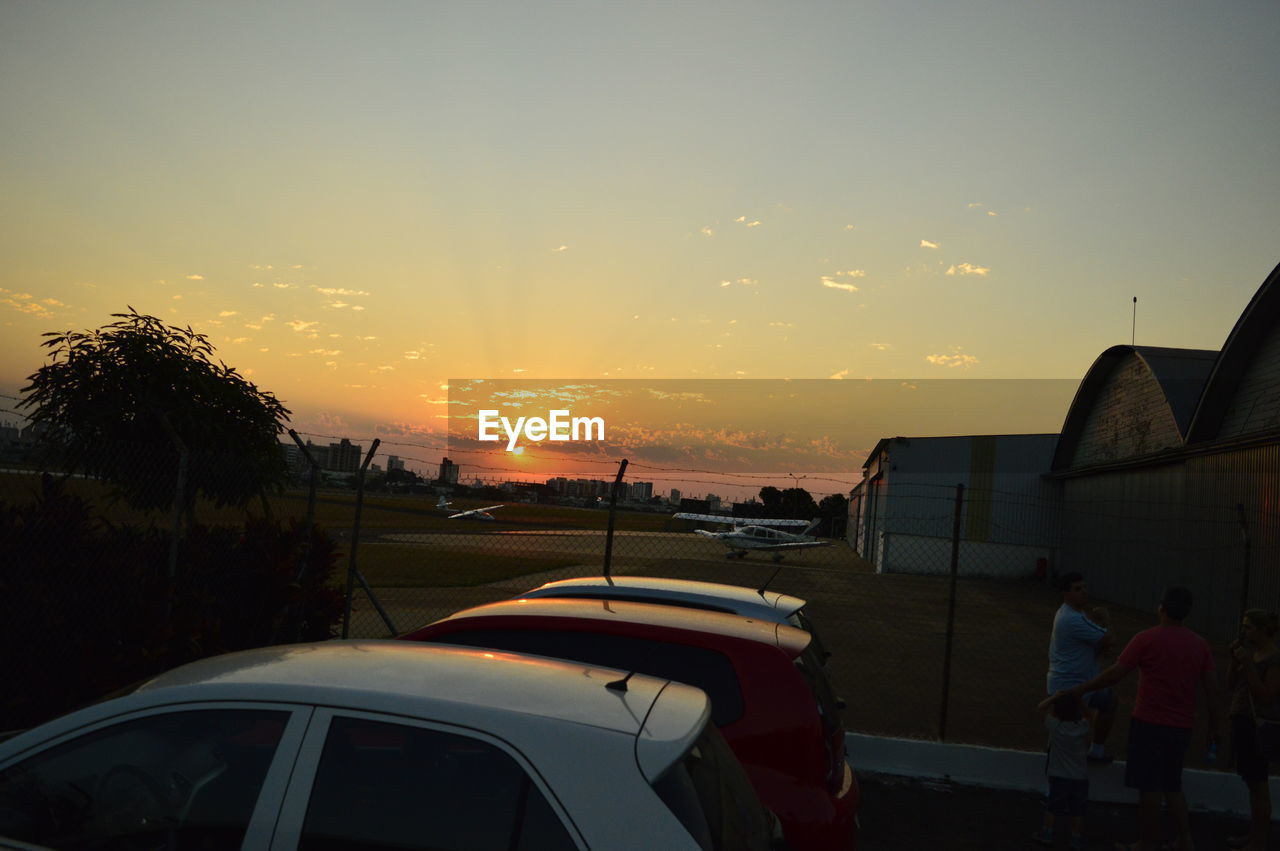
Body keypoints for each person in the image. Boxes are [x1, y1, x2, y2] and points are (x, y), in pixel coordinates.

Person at [1042, 586, 1221, 851]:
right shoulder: (1199, 645)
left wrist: (1081, 689)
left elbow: (1116, 673)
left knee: (1149, 787)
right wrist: (1215, 727)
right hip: (1181, 725)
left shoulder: (1146, 639)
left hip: (1149, 723)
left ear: (1161, 608)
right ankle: (1185, 841)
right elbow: (1211, 689)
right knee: (1172, 786)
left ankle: (1148, 843)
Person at [1047, 572, 1118, 762]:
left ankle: (1096, 751)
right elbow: (1109, 638)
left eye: (1084, 588)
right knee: (1068, 734)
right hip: (1071, 685)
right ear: (1065, 593)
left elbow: (1099, 642)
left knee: (1108, 701)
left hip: (1077, 681)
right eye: (1078, 589)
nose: (1084, 592)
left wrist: (1100, 647)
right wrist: (1106, 619)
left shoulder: (1073, 614)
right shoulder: (1072, 618)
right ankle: (1059, 777)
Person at [1225, 609, 1280, 851]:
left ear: (1262, 630)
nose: (1243, 631)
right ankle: (1254, 835)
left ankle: (1259, 842)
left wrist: (1247, 665)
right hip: (1242, 721)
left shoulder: (1274, 659)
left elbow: (1267, 696)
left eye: (1248, 627)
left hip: (1257, 725)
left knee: (1259, 784)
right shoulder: (1252, 655)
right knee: (1251, 781)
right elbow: (1230, 685)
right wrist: (1235, 661)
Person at [1035, 693, 1091, 849]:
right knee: (1077, 811)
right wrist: (1080, 703)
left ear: (1056, 712)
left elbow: (1040, 707)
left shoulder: (1055, 727)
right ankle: (1076, 838)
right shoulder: (1081, 727)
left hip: (1059, 776)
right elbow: (1090, 717)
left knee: (1052, 807)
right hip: (1080, 777)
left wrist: (1055, 697)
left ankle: (1047, 833)